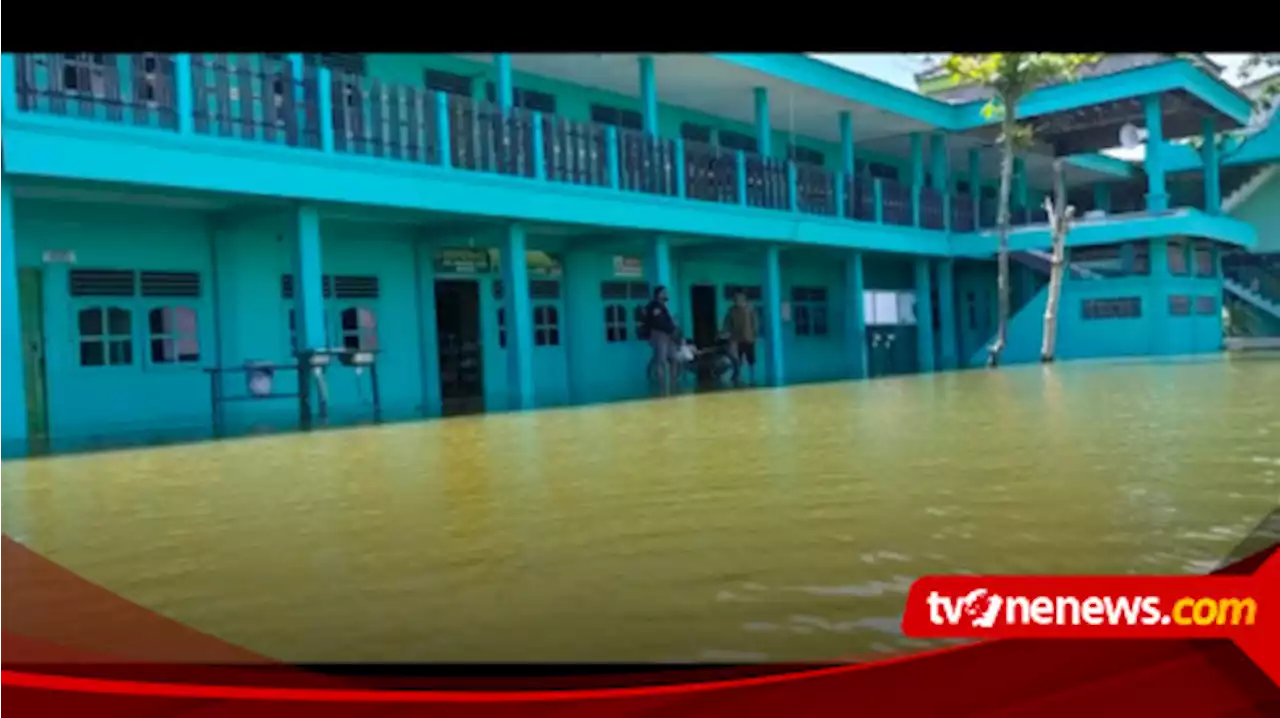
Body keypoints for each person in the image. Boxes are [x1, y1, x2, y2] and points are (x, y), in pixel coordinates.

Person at [643, 285, 679, 395]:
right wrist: (671, 328)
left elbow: (667, 322)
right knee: (661, 361)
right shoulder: (653, 307)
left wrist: (674, 330)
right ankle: (662, 385)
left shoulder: (663, 307)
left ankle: (673, 383)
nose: (666, 294)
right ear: (658, 294)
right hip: (659, 335)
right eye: (664, 292)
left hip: (668, 335)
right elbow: (659, 323)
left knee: (674, 359)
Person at [722, 289, 758, 386]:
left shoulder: (750, 309)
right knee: (738, 360)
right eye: (736, 298)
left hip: (749, 338)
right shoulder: (732, 311)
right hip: (736, 339)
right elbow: (727, 323)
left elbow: (754, 323)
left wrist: (754, 335)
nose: (738, 300)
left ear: (744, 299)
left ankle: (753, 378)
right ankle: (738, 377)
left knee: (751, 359)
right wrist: (725, 332)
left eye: (740, 298)